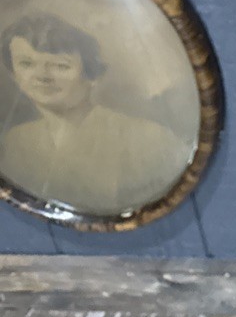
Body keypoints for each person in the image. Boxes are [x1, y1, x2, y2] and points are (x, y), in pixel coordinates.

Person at [0, 11, 193, 216]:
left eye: (60, 66)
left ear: (91, 75)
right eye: (26, 64)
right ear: (13, 74)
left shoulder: (149, 139)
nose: (42, 76)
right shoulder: (16, 141)